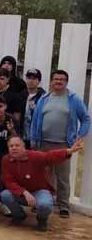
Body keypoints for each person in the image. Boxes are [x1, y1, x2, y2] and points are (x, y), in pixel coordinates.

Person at [30, 69, 90, 218]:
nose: (58, 81)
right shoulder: (43, 99)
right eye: (56, 79)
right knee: (44, 176)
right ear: (51, 81)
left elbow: (86, 119)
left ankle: (63, 206)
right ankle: (43, 203)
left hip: (64, 144)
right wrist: (33, 140)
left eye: (62, 79)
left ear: (66, 82)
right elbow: (35, 121)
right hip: (43, 143)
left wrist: (80, 136)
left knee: (62, 177)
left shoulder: (73, 99)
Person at [1, 136, 85, 231]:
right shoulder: (6, 160)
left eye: (17, 145)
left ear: (23, 147)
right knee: (5, 195)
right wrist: (24, 192)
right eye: (11, 146)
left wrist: (69, 151)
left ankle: (42, 219)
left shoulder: (34, 156)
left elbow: (50, 156)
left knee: (45, 205)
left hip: (39, 191)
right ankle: (19, 216)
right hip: (22, 194)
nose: (14, 148)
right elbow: (8, 181)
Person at [22, 68, 45, 148]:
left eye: (34, 78)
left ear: (39, 81)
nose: (31, 81)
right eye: (29, 78)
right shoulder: (20, 95)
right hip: (21, 137)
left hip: (36, 137)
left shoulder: (44, 98)